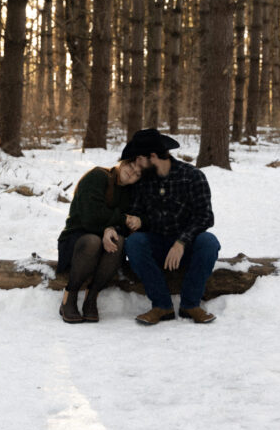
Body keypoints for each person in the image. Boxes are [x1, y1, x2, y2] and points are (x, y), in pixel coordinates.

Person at [122, 128, 220, 326]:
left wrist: (181, 242)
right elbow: (136, 212)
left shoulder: (192, 176)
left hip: (186, 245)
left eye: (138, 158)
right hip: (156, 244)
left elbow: (205, 217)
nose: (136, 164)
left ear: (152, 156)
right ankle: (162, 305)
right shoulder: (143, 182)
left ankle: (191, 305)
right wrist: (136, 221)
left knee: (209, 242)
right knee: (134, 243)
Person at [57, 157, 141, 323]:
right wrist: (114, 223)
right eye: (131, 166)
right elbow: (90, 217)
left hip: (102, 240)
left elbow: (123, 226)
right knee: (93, 242)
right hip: (77, 238)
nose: (131, 173)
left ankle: (92, 297)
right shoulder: (97, 176)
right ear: (123, 162)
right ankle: (70, 296)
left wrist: (112, 229)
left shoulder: (128, 193)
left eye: (137, 173)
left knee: (119, 241)